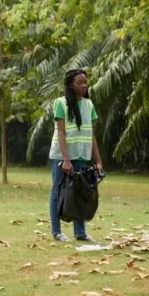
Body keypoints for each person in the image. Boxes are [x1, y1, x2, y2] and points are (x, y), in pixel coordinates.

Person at [48, 68, 103, 243]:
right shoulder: (60, 103)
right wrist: (66, 159)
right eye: (79, 83)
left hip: (81, 156)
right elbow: (61, 132)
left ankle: (80, 233)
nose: (84, 85)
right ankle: (57, 232)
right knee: (58, 192)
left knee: (80, 193)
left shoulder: (89, 105)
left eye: (85, 82)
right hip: (62, 156)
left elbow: (91, 134)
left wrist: (98, 161)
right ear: (71, 85)